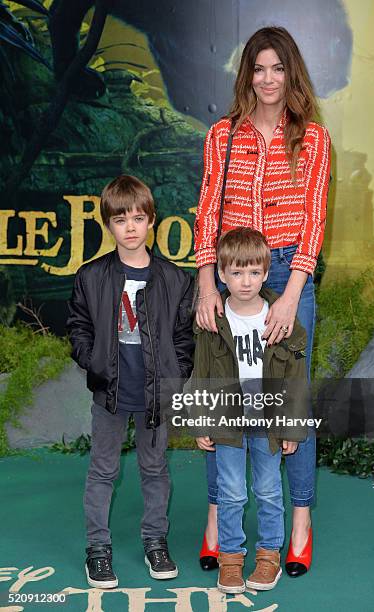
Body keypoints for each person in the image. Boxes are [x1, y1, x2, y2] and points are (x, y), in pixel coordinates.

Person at [194, 26, 331, 577]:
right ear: (246, 74)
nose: (268, 79)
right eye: (258, 68)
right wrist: (207, 285)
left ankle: (299, 524)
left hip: (289, 272)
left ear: (291, 73)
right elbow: (206, 209)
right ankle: (214, 519)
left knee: (286, 402)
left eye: (278, 68)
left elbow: (314, 219)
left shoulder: (313, 138)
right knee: (219, 393)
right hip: (230, 274)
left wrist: (292, 294)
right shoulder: (223, 135)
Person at [66, 174, 194, 588]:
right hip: (110, 392)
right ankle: (97, 550)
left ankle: (155, 541)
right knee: (102, 470)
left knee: (154, 469)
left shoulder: (175, 278)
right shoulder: (91, 276)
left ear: (152, 220)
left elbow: (183, 335)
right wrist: (95, 363)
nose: (131, 227)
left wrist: (177, 374)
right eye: (121, 220)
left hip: (157, 394)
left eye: (139, 218)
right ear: (108, 225)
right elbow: (79, 327)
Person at [192, 227, 308, 593]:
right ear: (222, 274)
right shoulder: (213, 320)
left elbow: (294, 380)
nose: (246, 282)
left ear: (266, 271)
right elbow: (201, 374)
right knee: (230, 491)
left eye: (254, 272)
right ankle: (230, 558)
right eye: (237, 273)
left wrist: (291, 428)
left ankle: (269, 554)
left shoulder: (281, 319)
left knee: (270, 490)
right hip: (228, 422)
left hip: (268, 423)